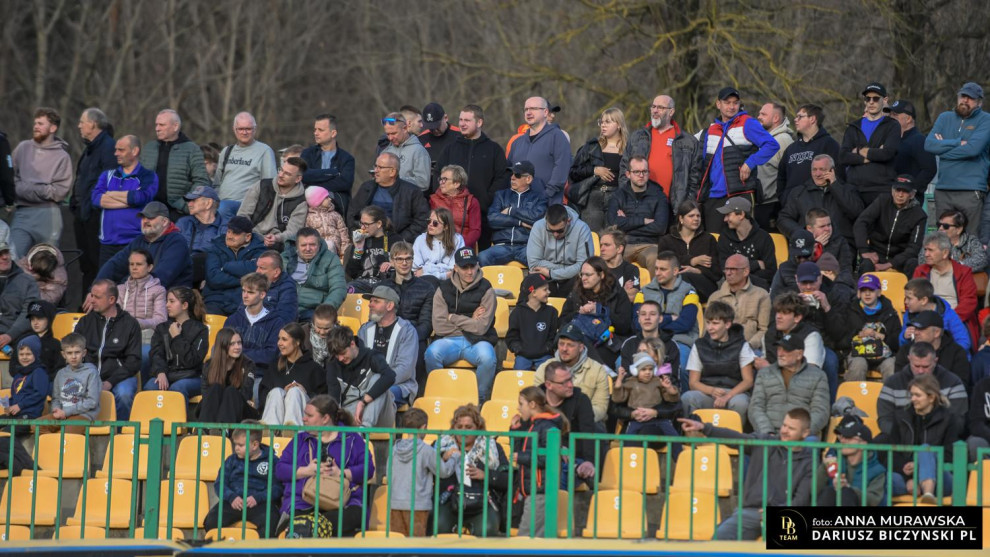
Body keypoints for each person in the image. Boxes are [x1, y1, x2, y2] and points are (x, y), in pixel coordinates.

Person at [679, 408, 814, 540]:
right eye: (784, 425)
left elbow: (800, 500)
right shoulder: (765, 442)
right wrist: (704, 428)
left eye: (791, 428)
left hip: (784, 516)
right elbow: (736, 437)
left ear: (805, 433)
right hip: (751, 512)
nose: (784, 431)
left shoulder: (808, 463)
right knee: (720, 538)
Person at [274, 395, 373, 538]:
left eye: (309, 415)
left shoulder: (352, 438)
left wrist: (341, 473)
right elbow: (280, 469)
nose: (303, 419)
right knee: (298, 517)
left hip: (343, 503)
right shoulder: (300, 439)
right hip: (303, 502)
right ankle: (312, 527)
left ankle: (310, 527)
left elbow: (368, 469)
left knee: (356, 515)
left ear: (325, 418)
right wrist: (307, 471)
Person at [696, 87, 780, 230]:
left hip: (740, 193)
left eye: (735, 103)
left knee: (742, 237)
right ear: (718, 104)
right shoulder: (711, 129)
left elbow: (772, 145)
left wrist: (750, 163)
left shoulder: (748, 123)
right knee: (714, 239)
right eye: (727, 102)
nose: (731, 106)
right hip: (712, 196)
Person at [425, 248, 498, 401]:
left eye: (472, 266)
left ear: (478, 265)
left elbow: (481, 328)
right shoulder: (443, 289)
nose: (469, 272)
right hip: (449, 340)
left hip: (478, 340)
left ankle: (480, 399)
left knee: (488, 357)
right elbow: (439, 326)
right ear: (456, 268)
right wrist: (471, 320)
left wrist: (453, 317)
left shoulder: (487, 288)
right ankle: (440, 397)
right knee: (431, 354)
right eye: (464, 267)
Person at [436, 104, 511, 249]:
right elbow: (438, 174)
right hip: (452, 217)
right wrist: (445, 200)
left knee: (482, 256)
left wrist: (486, 200)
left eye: (467, 120)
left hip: (484, 215)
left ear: (479, 122)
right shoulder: (450, 148)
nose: (462, 124)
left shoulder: (494, 149)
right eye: (460, 120)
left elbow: (502, 178)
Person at [924, 82, 990, 239]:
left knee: (970, 240)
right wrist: (957, 143)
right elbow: (929, 145)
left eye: (970, 98)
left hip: (971, 190)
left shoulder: (986, 120)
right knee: (943, 240)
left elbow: (973, 149)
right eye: (962, 96)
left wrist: (942, 150)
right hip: (944, 189)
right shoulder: (944, 117)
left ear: (979, 102)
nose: (965, 100)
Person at [434, 404, 511, 536]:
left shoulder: (493, 447)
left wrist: (486, 475)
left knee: (486, 529)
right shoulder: (441, 445)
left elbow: (507, 480)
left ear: (478, 428)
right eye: (459, 427)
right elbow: (426, 474)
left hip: (483, 502)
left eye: (468, 427)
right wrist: (441, 459)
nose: (463, 431)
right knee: (438, 525)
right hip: (448, 502)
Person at [620, 94, 701, 215]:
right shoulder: (637, 137)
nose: (655, 110)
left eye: (660, 108)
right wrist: (624, 200)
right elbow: (624, 169)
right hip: (639, 203)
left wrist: (686, 205)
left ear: (671, 112)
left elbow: (695, 178)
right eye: (653, 107)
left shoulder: (688, 141)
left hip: (672, 207)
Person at [888, 374, 963, 504]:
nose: (913, 399)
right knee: (886, 479)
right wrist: (908, 478)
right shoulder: (901, 417)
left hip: (940, 478)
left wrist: (918, 465)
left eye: (917, 395)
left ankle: (928, 493)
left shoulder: (949, 419)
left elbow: (949, 455)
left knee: (925, 449)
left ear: (931, 397)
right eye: (911, 395)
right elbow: (892, 452)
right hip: (907, 478)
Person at [11, 107, 73, 258]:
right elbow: (10, 178)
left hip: (48, 214)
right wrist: (40, 189)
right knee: (13, 258)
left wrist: (26, 189)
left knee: (46, 262)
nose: (35, 127)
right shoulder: (22, 148)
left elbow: (59, 192)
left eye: (40, 123)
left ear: (53, 128)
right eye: (35, 123)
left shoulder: (62, 156)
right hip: (22, 213)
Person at [76, 279, 142, 420]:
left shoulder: (130, 324)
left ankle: (121, 431)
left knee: (124, 394)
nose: (92, 300)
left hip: (119, 377)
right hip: (88, 376)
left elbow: (133, 361)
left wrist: (110, 381)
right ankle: (78, 431)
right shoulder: (85, 322)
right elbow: (75, 352)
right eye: (92, 296)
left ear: (111, 299)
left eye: (97, 297)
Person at [385, 408, 458, 537]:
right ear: (424, 427)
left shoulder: (394, 449)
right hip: (418, 505)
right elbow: (444, 471)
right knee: (416, 543)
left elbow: (388, 473)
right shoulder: (426, 451)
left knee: (398, 543)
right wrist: (454, 458)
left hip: (395, 503)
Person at [92, 134, 159, 267]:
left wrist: (110, 194)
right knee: (105, 279)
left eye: (121, 150)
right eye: (116, 149)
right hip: (108, 243)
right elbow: (96, 199)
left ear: (135, 151)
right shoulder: (107, 175)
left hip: (135, 242)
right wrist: (129, 201)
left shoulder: (148, 175)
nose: (116, 153)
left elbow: (141, 197)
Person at [205, 423, 282, 538]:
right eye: (235, 444)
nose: (236, 448)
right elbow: (220, 483)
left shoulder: (272, 461)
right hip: (233, 502)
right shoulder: (231, 460)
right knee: (211, 521)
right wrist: (232, 497)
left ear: (255, 445)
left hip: (261, 503)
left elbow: (277, 487)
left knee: (271, 524)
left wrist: (258, 498)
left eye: (240, 445)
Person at [511, 385, 568, 538]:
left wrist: (521, 457)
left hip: (540, 491)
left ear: (532, 404)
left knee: (525, 539)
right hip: (532, 491)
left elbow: (548, 458)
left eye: (521, 404)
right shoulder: (533, 426)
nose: (518, 408)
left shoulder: (547, 427)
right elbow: (519, 453)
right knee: (532, 539)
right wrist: (515, 431)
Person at [95, 200, 194, 288]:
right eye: (143, 217)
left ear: (164, 222)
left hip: (169, 296)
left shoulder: (176, 242)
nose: (145, 221)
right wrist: (96, 288)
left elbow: (162, 276)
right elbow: (115, 264)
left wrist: (128, 289)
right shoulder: (139, 240)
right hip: (139, 292)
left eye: (150, 218)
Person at [681, 301, 756, 417]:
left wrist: (727, 396)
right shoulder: (699, 345)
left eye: (715, 323)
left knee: (740, 403)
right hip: (707, 392)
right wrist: (711, 391)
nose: (710, 328)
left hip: (734, 393)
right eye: (708, 323)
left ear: (727, 324)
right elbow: (693, 383)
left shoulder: (741, 345)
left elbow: (748, 380)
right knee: (688, 398)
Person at [876, 342, 968, 435]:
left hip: (941, 439)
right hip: (901, 437)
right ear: (909, 359)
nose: (920, 371)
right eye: (916, 366)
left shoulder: (953, 383)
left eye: (926, 367)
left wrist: (930, 435)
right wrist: (907, 435)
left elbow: (958, 421)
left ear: (935, 361)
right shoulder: (892, 383)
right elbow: (884, 419)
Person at [72, 107, 117, 292]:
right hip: (82, 213)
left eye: (82, 122)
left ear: (93, 124)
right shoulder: (89, 149)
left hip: (96, 216)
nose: (79, 126)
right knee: (86, 265)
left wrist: (92, 206)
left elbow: (109, 181)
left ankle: (98, 301)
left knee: (96, 263)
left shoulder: (108, 148)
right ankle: (86, 302)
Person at [750, 331, 830, 435]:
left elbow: (821, 412)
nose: (780, 354)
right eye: (779, 349)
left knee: (811, 441)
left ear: (799, 354)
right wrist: (768, 433)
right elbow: (755, 408)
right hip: (769, 435)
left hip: (802, 437)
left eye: (786, 350)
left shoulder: (818, 376)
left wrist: (799, 433)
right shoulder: (764, 373)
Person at [560, 256, 633, 367]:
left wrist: (600, 311)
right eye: (582, 274)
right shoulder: (576, 293)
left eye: (588, 275)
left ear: (601, 275)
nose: (583, 278)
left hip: (609, 343)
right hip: (580, 342)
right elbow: (562, 321)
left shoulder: (617, 293)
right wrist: (579, 313)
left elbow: (624, 326)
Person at [776, 154, 864, 247]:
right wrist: (803, 235)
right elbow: (783, 219)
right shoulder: (799, 192)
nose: (817, 174)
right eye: (814, 170)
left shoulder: (848, 189)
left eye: (822, 169)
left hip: (842, 245)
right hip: (810, 246)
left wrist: (835, 186)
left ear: (832, 170)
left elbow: (856, 213)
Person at [535, 323, 612, 424]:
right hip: (551, 423)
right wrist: (559, 419)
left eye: (570, 345)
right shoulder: (544, 368)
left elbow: (600, 408)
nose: (564, 349)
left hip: (585, 424)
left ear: (581, 347)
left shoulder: (597, 370)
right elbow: (537, 401)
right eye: (561, 344)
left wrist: (576, 418)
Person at [381, 242, 436, 384]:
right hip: (386, 335)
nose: (404, 263)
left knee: (419, 352)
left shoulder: (426, 288)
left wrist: (408, 339)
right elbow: (376, 318)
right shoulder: (382, 287)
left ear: (413, 260)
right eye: (399, 259)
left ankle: (415, 393)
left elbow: (426, 324)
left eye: (408, 258)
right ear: (392, 261)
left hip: (414, 336)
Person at [139, 109, 209, 219]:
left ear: (175, 126)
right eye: (156, 125)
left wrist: (186, 204)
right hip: (149, 209)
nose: (157, 128)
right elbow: (138, 177)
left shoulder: (192, 149)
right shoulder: (149, 148)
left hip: (178, 212)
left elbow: (201, 181)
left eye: (162, 125)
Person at [840, 82, 901, 206]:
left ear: (885, 100)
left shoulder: (892, 125)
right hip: (854, 188)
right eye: (868, 99)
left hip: (881, 188)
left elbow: (887, 153)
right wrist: (869, 156)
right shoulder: (853, 126)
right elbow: (843, 156)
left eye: (876, 98)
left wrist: (859, 151)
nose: (871, 102)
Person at [348, 154, 430, 246]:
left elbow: (422, 219)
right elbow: (352, 214)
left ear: (392, 172)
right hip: (367, 241)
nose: (375, 170)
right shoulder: (366, 188)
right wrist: (359, 234)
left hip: (399, 244)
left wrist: (400, 239)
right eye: (375, 166)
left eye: (380, 167)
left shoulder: (411, 192)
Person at [144, 287, 209, 401]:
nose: (167, 305)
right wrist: (160, 372)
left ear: (184, 305)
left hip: (192, 376)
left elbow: (192, 360)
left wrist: (177, 337)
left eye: (172, 301)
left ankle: (178, 414)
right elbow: (156, 353)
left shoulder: (200, 330)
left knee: (177, 388)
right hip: (168, 374)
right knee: (151, 386)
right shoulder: (162, 328)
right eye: (167, 301)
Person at [568, 107, 628, 232]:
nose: (603, 125)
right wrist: (594, 170)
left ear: (619, 125)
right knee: (591, 237)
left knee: (613, 237)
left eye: (608, 122)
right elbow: (573, 172)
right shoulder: (591, 147)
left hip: (616, 199)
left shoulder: (629, 149)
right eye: (601, 122)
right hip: (592, 199)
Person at [605, 155, 669, 270]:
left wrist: (625, 223)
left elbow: (660, 228)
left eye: (644, 171)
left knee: (654, 258)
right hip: (623, 244)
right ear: (628, 174)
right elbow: (612, 223)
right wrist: (643, 221)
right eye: (636, 172)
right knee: (608, 258)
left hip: (649, 245)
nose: (641, 175)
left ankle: (655, 283)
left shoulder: (659, 196)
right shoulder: (618, 195)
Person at [357, 285, 418, 406]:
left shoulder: (407, 331)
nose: (370, 305)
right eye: (370, 301)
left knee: (378, 396)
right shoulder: (364, 330)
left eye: (376, 301)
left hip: (398, 385)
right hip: (366, 384)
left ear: (390, 306)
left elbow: (404, 369)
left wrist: (377, 385)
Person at [478, 160, 547, 267]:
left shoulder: (539, 198)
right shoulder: (501, 195)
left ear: (528, 179)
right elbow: (492, 219)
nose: (512, 178)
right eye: (512, 174)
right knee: (482, 256)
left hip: (527, 246)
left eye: (517, 175)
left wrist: (511, 210)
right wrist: (520, 223)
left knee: (544, 262)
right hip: (502, 246)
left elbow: (537, 218)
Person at [854, 175, 927, 275]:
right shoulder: (882, 201)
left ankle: (911, 286)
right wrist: (864, 250)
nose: (900, 195)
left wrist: (890, 264)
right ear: (892, 191)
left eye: (905, 191)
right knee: (866, 263)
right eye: (898, 190)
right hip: (876, 254)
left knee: (912, 263)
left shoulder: (919, 215)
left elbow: (914, 248)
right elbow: (861, 222)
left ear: (912, 194)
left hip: (901, 259)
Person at [641, 251, 701, 374]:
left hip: (679, 341)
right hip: (648, 341)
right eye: (656, 268)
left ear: (675, 271)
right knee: (621, 363)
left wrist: (653, 326)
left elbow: (685, 324)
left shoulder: (689, 292)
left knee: (681, 367)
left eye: (663, 269)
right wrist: (669, 319)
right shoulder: (644, 291)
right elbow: (636, 323)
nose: (657, 273)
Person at [914, 231, 979, 342]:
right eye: (925, 250)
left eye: (931, 250)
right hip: (926, 322)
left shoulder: (963, 272)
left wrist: (948, 321)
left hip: (957, 321)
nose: (926, 254)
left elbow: (969, 302)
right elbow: (913, 298)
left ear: (945, 253)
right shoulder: (921, 271)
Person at [225, 273, 288, 387]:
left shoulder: (276, 323)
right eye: (243, 291)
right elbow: (223, 349)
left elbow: (270, 355)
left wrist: (238, 352)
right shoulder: (233, 319)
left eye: (250, 292)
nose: (245, 295)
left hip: (260, 376)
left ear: (262, 294)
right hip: (232, 374)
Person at [259, 323, 326, 427]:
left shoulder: (314, 368)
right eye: (279, 339)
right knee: (276, 392)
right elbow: (263, 397)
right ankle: (269, 430)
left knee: (295, 392)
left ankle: (291, 430)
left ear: (297, 342)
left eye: (284, 339)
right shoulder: (274, 367)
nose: (279, 343)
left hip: (305, 421)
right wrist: (283, 395)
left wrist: (305, 393)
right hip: (277, 422)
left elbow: (323, 401)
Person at [213, 112, 278, 219]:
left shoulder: (264, 151)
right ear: (234, 129)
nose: (244, 132)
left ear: (255, 129)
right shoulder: (227, 151)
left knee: (223, 209)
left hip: (245, 205)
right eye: (241, 129)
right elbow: (217, 183)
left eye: (248, 129)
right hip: (221, 202)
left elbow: (269, 185)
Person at [508, 97, 572, 204]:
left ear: (545, 112)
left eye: (533, 108)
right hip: (518, 205)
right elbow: (508, 172)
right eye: (526, 109)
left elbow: (561, 170)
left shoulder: (557, 137)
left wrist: (545, 196)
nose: (528, 112)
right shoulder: (517, 142)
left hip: (547, 206)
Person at [237, 156, 307, 252]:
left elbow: (293, 232)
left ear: (298, 179)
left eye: (287, 174)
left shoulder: (300, 202)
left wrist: (276, 238)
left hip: (277, 244)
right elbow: (243, 215)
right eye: (281, 170)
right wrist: (249, 234)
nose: (280, 175)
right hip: (250, 235)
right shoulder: (261, 185)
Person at [777, 104, 842, 206]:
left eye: (800, 116)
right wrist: (784, 198)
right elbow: (781, 176)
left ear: (812, 119)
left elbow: (839, 174)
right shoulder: (791, 148)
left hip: (818, 206)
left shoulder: (829, 144)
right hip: (791, 206)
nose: (795, 120)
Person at [37, 333, 100, 435]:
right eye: (69, 353)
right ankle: (55, 444)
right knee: (36, 425)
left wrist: (66, 412)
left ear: (84, 353)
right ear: (63, 355)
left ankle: (63, 444)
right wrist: (56, 410)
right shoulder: (60, 374)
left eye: (77, 352)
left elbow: (92, 401)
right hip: (62, 414)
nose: (73, 356)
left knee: (68, 432)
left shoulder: (91, 372)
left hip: (83, 415)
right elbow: (56, 398)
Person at [817, 415, 887, 507]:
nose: (843, 440)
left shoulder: (877, 470)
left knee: (847, 493)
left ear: (863, 444)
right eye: (842, 437)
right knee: (829, 492)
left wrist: (849, 489)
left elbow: (873, 499)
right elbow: (813, 491)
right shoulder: (834, 462)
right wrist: (824, 467)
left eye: (848, 437)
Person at [657, 200, 720, 302]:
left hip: (704, 286)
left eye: (698, 216)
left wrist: (696, 270)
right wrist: (692, 261)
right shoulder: (666, 241)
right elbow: (664, 265)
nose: (696, 219)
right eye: (691, 216)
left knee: (683, 277)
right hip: (674, 282)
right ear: (681, 218)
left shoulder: (709, 239)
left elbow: (717, 271)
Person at [202, 216, 266, 316]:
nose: (230, 236)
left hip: (244, 300)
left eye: (235, 233)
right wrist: (244, 279)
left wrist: (226, 267)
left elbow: (257, 271)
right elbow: (214, 278)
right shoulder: (216, 247)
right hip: (216, 298)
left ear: (248, 237)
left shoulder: (260, 249)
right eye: (229, 232)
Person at [528, 204, 595, 297]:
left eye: (560, 231)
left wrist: (551, 273)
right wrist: (569, 268)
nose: (555, 234)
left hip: (572, 277)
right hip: (553, 274)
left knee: (584, 278)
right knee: (533, 277)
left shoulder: (582, 229)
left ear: (568, 221)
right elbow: (534, 264)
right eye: (551, 231)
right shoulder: (538, 226)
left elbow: (584, 267)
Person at [843, 274, 901, 381]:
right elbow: (842, 338)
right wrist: (858, 335)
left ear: (879, 292)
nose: (867, 294)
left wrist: (882, 336)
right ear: (858, 293)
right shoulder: (850, 310)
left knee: (891, 366)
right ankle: (854, 392)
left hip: (884, 354)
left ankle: (889, 393)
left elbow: (898, 341)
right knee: (858, 365)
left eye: (871, 290)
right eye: (863, 290)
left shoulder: (890, 312)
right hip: (858, 353)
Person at [708, 254, 770, 351]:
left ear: (745, 271)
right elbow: (708, 329)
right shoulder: (715, 298)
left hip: (750, 349)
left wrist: (748, 347)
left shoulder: (761, 295)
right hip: (720, 350)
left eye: (733, 269)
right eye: (726, 269)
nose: (728, 273)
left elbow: (764, 329)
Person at [281, 227, 346, 320]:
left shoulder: (331, 259)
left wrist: (324, 312)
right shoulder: (284, 259)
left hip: (314, 311)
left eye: (312, 245)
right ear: (297, 246)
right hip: (286, 308)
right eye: (303, 245)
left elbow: (339, 289)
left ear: (319, 245)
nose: (308, 249)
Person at [893, 311, 970, 386]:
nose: (916, 333)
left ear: (937, 332)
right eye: (915, 328)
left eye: (921, 329)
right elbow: (899, 382)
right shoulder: (905, 351)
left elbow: (961, 385)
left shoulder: (956, 353)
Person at [199, 328, 258, 425]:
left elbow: (246, 394)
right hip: (214, 409)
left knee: (231, 391)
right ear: (222, 345)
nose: (237, 347)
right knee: (215, 388)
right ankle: (205, 429)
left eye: (239, 343)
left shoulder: (248, 365)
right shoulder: (209, 365)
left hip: (239, 409)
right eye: (232, 344)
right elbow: (206, 395)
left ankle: (222, 430)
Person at [613, 351, 681, 435]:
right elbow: (618, 398)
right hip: (637, 419)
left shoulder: (658, 381)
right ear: (635, 370)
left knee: (673, 436)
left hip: (658, 418)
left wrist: (669, 388)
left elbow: (672, 399)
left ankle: (678, 444)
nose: (648, 372)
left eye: (650, 369)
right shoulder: (630, 382)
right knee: (629, 439)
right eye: (643, 369)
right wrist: (619, 381)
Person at [300, 114, 356, 217]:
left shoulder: (347, 159)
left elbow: (345, 183)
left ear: (333, 133)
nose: (316, 133)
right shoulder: (307, 153)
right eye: (315, 129)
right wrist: (333, 173)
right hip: (309, 208)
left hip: (337, 208)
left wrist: (314, 183)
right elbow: (304, 175)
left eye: (320, 130)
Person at [715, 196, 776, 288]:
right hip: (733, 287)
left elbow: (771, 272)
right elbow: (725, 269)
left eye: (728, 215)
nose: (725, 219)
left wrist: (738, 273)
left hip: (759, 289)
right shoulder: (724, 238)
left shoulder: (764, 238)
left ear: (741, 215)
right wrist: (756, 264)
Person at [901, 277, 971, 353]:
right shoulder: (909, 316)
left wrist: (948, 355)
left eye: (909, 298)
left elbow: (964, 341)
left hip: (948, 356)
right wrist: (904, 337)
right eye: (905, 298)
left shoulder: (948, 315)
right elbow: (903, 346)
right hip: (920, 356)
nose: (905, 302)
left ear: (924, 300)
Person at [753, 102, 795, 229]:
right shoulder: (764, 140)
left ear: (776, 118)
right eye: (759, 113)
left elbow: (790, 175)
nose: (759, 117)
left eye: (763, 114)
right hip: (762, 205)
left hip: (773, 207)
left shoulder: (783, 140)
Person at [506, 273, 559, 371]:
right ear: (534, 292)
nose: (549, 292)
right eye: (545, 290)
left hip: (545, 355)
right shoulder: (517, 313)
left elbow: (552, 337)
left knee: (548, 373)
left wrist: (547, 349)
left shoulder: (552, 312)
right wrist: (520, 350)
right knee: (519, 370)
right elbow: (512, 337)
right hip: (523, 356)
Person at [889, 100, 937, 200]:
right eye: (890, 114)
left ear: (908, 119)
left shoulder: (919, 140)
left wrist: (911, 190)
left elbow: (929, 169)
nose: (891, 117)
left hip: (910, 201)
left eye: (895, 115)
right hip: (892, 197)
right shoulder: (893, 139)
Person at [430, 165, 481, 248]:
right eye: (440, 179)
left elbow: (475, 230)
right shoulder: (433, 200)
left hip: (462, 246)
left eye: (444, 179)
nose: (441, 182)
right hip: (438, 245)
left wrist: (461, 245)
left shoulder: (471, 202)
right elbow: (430, 226)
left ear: (456, 184)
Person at [345, 205, 394, 293]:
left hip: (386, 284)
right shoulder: (360, 240)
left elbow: (404, 264)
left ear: (379, 224)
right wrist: (358, 249)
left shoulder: (394, 239)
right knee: (346, 290)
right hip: (362, 283)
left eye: (366, 224)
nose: (362, 227)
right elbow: (351, 273)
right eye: (361, 223)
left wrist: (392, 264)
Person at [118, 249, 167, 333]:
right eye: (131, 264)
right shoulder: (120, 289)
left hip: (148, 335)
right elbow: (114, 317)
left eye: (139, 264)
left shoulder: (159, 290)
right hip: (123, 334)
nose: (134, 268)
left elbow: (161, 320)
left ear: (149, 267)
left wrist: (137, 323)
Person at [380, 112, 431, 192]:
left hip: (408, 198)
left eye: (393, 133)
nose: (390, 138)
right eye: (388, 134)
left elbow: (423, 183)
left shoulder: (418, 151)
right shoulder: (385, 152)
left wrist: (396, 181)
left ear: (405, 128)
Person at [6, 336, 50, 422]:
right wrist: (9, 405)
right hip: (16, 414)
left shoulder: (39, 372)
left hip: (30, 415)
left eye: (28, 354)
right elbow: (15, 394)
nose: (24, 357)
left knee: (10, 429)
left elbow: (40, 394)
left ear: (36, 354)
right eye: (21, 354)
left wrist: (20, 405)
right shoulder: (18, 374)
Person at [20, 300, 65, 383]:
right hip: (24, 384)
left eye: (39, 318)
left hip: (47, 385)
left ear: (49, 319)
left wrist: (43, 379)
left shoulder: (55, 344)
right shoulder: (23, 341)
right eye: (32, 319)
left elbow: (59, 369)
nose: (35, 323)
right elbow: (13, 367)